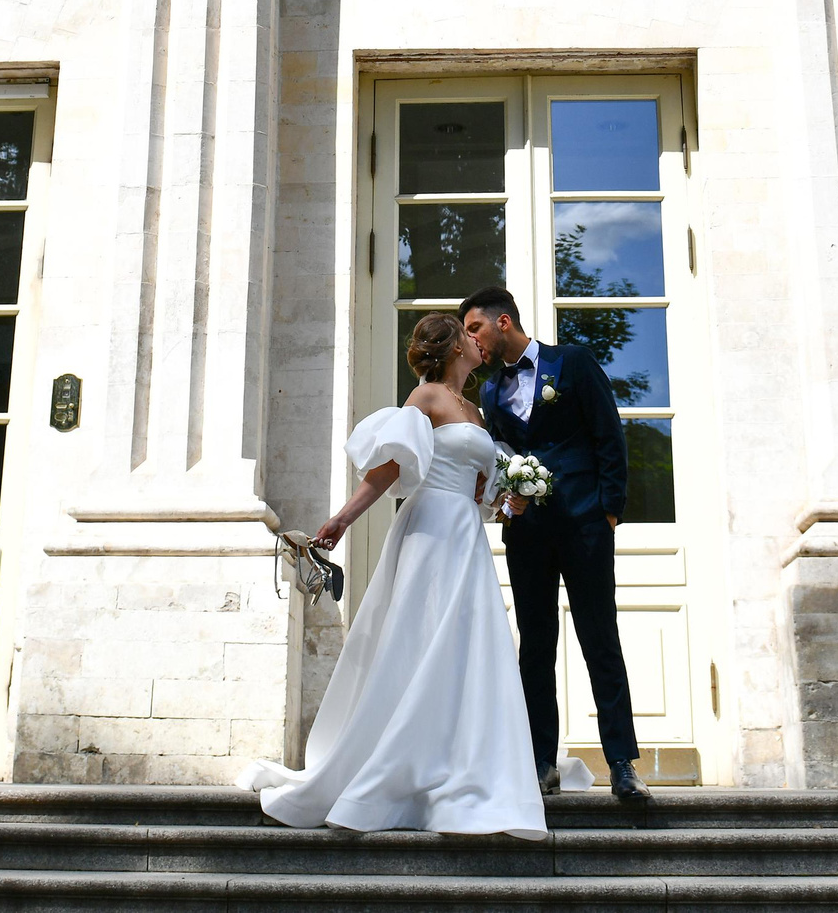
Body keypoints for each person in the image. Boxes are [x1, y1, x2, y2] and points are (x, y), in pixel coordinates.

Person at [236, 313, 551, 836]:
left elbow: (483, 488)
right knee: (419, 639)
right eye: (469, 335)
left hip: (466, 535)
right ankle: (395, 769)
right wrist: (340, 520)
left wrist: (506, 494)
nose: (479, 342)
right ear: (452, 347)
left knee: (465, 646)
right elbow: (388, 472)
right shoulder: (425, 398)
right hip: (429, 528)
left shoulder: (475, 409)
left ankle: (462, 765)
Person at [464, 285, 652, 805]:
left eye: (475, 328)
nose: (471, 341)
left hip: (585, 526)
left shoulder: (572, 362)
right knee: (535, 646)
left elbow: (609, 434)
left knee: (599, 639)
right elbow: (500, 462)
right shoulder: (488, 393)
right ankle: (541, 762)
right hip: (526, 534)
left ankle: (621, 764)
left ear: (504, 323)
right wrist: (505, 507)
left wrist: (609, 509)